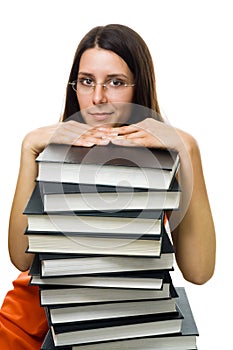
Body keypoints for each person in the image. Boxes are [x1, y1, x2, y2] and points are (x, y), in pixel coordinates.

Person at [0, 24, 216, 349]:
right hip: (39, 321)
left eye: (115, 83)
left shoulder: (163, 159)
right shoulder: (53, 150)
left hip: (132, 327)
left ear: (137, 86)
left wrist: (189, 149)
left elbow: (199, 272)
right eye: (87, 82)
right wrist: (29, 147)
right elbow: (22, 258)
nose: (97, 98)